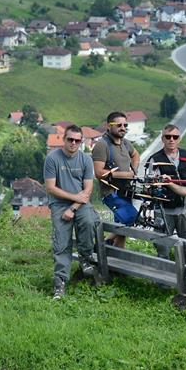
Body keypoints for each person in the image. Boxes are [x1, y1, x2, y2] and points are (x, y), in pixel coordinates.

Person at [43, 124, 98, 300]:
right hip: (59, 205)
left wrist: (74, 207)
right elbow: (51, 188)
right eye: (70, 139)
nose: (73, 143)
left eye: (77, 140)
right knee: (62, 243)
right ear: (64, 139)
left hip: (80, 204)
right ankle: (60, 283)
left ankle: (85, 257)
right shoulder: (52, 159)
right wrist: (72, 200)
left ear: (81, 142)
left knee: (89, 222)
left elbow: (88, 188)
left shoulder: (86, 160)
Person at [145, 124, 186, 258]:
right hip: (163, 211)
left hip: (185, 209)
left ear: (179, 139)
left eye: (175, 137)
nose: (171, 140)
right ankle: (163, 278)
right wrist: (157, 181)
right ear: (162, 139)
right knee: (162, 249)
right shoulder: (154, 159)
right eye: (168, 137)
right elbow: (148, 186)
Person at [92, 111, 141, 248]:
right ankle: (102, 244)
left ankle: (117, 256)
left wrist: (134, 170)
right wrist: (125, 175)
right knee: (133, 218)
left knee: (122, 228)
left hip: (125, 191)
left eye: (125, 125)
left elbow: (136, 155)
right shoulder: (102, 145)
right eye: (119, 125)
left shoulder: (125, 143)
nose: (123, 128)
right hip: (111, 193)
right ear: (108, 126)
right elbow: (98, 172)